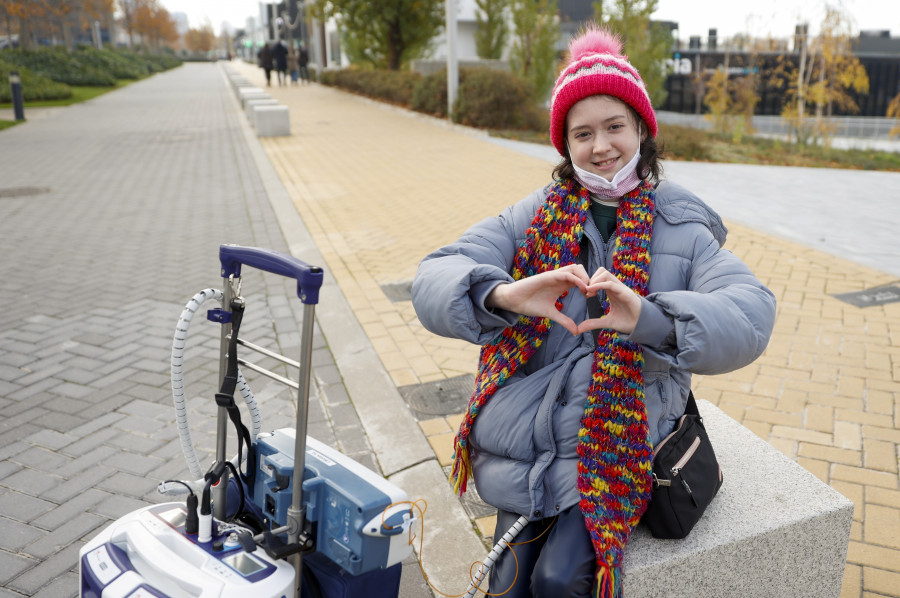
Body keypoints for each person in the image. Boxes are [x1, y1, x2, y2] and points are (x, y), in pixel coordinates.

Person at [411, 25, 776, 598]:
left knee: (560, 582)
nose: (600, 146)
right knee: (507, 587)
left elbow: (752, 314)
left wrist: (653, 320)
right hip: (526, 437)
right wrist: (501, 295)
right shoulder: (533, 216)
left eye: (614, 127)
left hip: (616, 435)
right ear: (566, 145)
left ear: (641, 131)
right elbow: (435, 273)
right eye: (583, 133)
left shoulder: (682, 224)